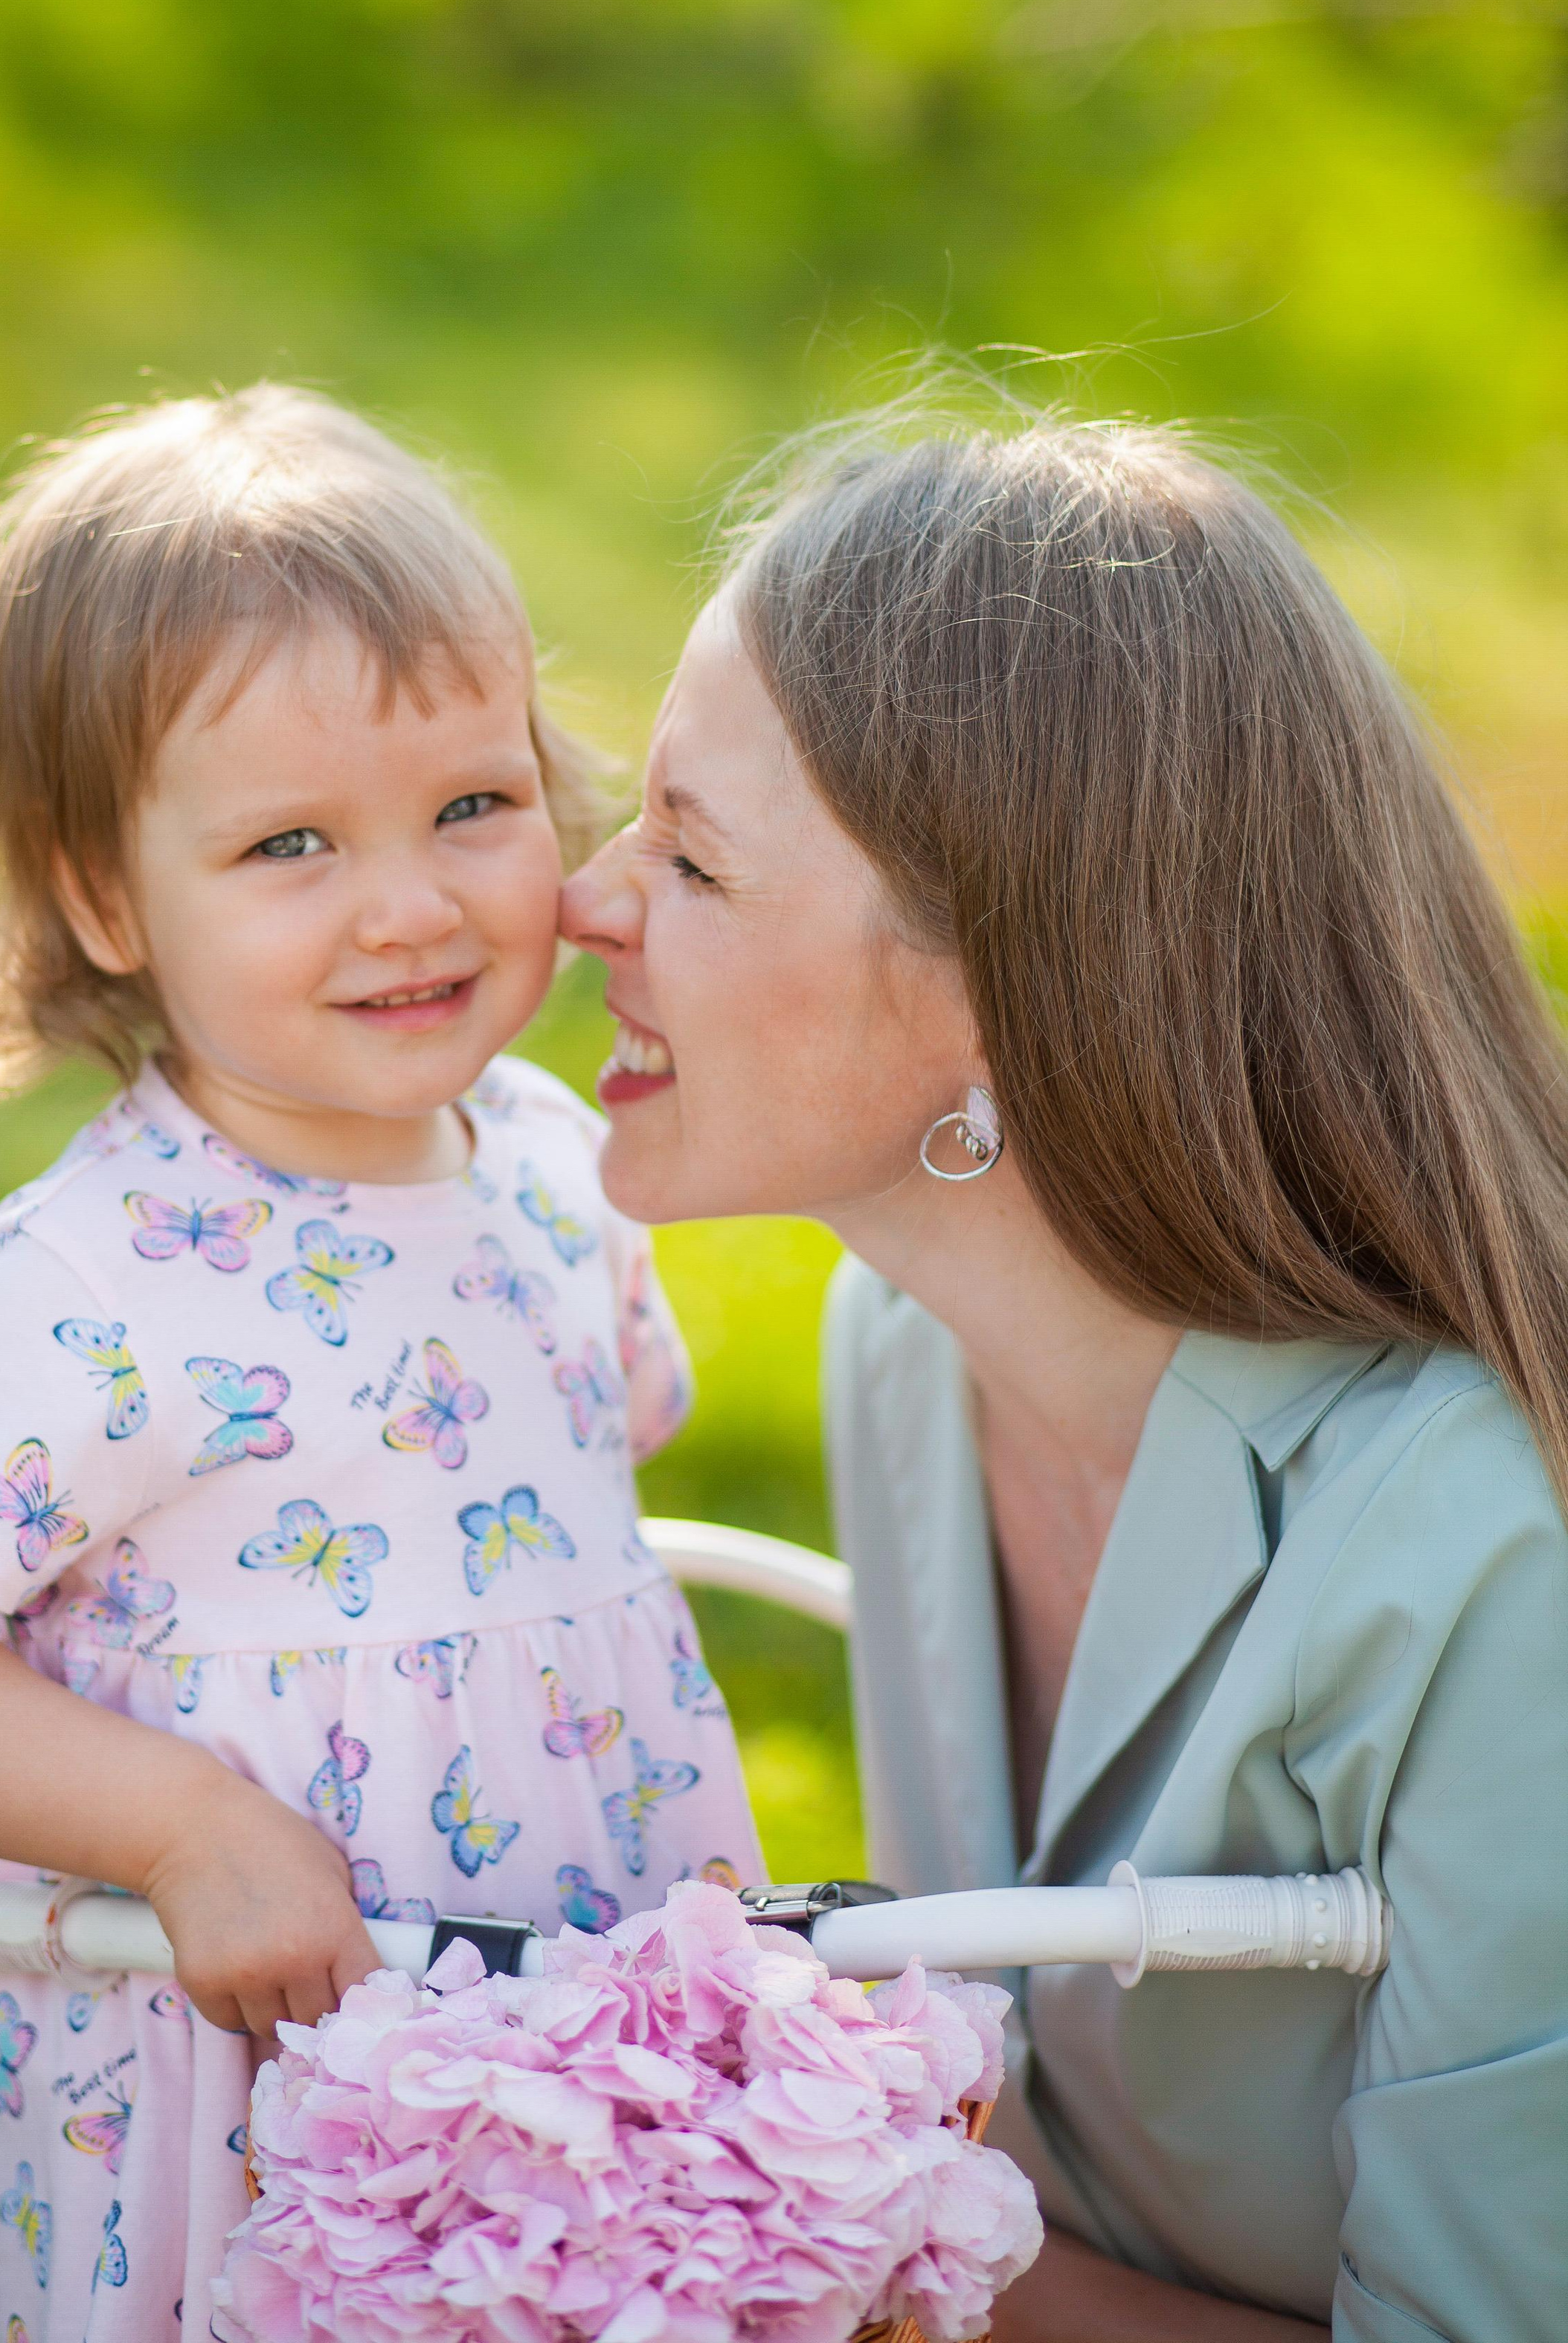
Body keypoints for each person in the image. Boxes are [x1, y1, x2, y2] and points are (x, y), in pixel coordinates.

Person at [562, 409, 1568, 2343]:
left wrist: (837, 2236)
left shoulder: (1481, 1556)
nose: (585, 899)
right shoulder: (907, 1342)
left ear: (999, 1002)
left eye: (688, 854)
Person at [0, 387, 761, 2343]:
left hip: (569, 1974)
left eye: (473, 806)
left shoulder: (566, 1160)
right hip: (234, 2034)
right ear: (103, 895)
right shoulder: (103, 1279)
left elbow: (597, 1458)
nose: (410, 906)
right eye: (291, 843)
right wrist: (186, 1830)